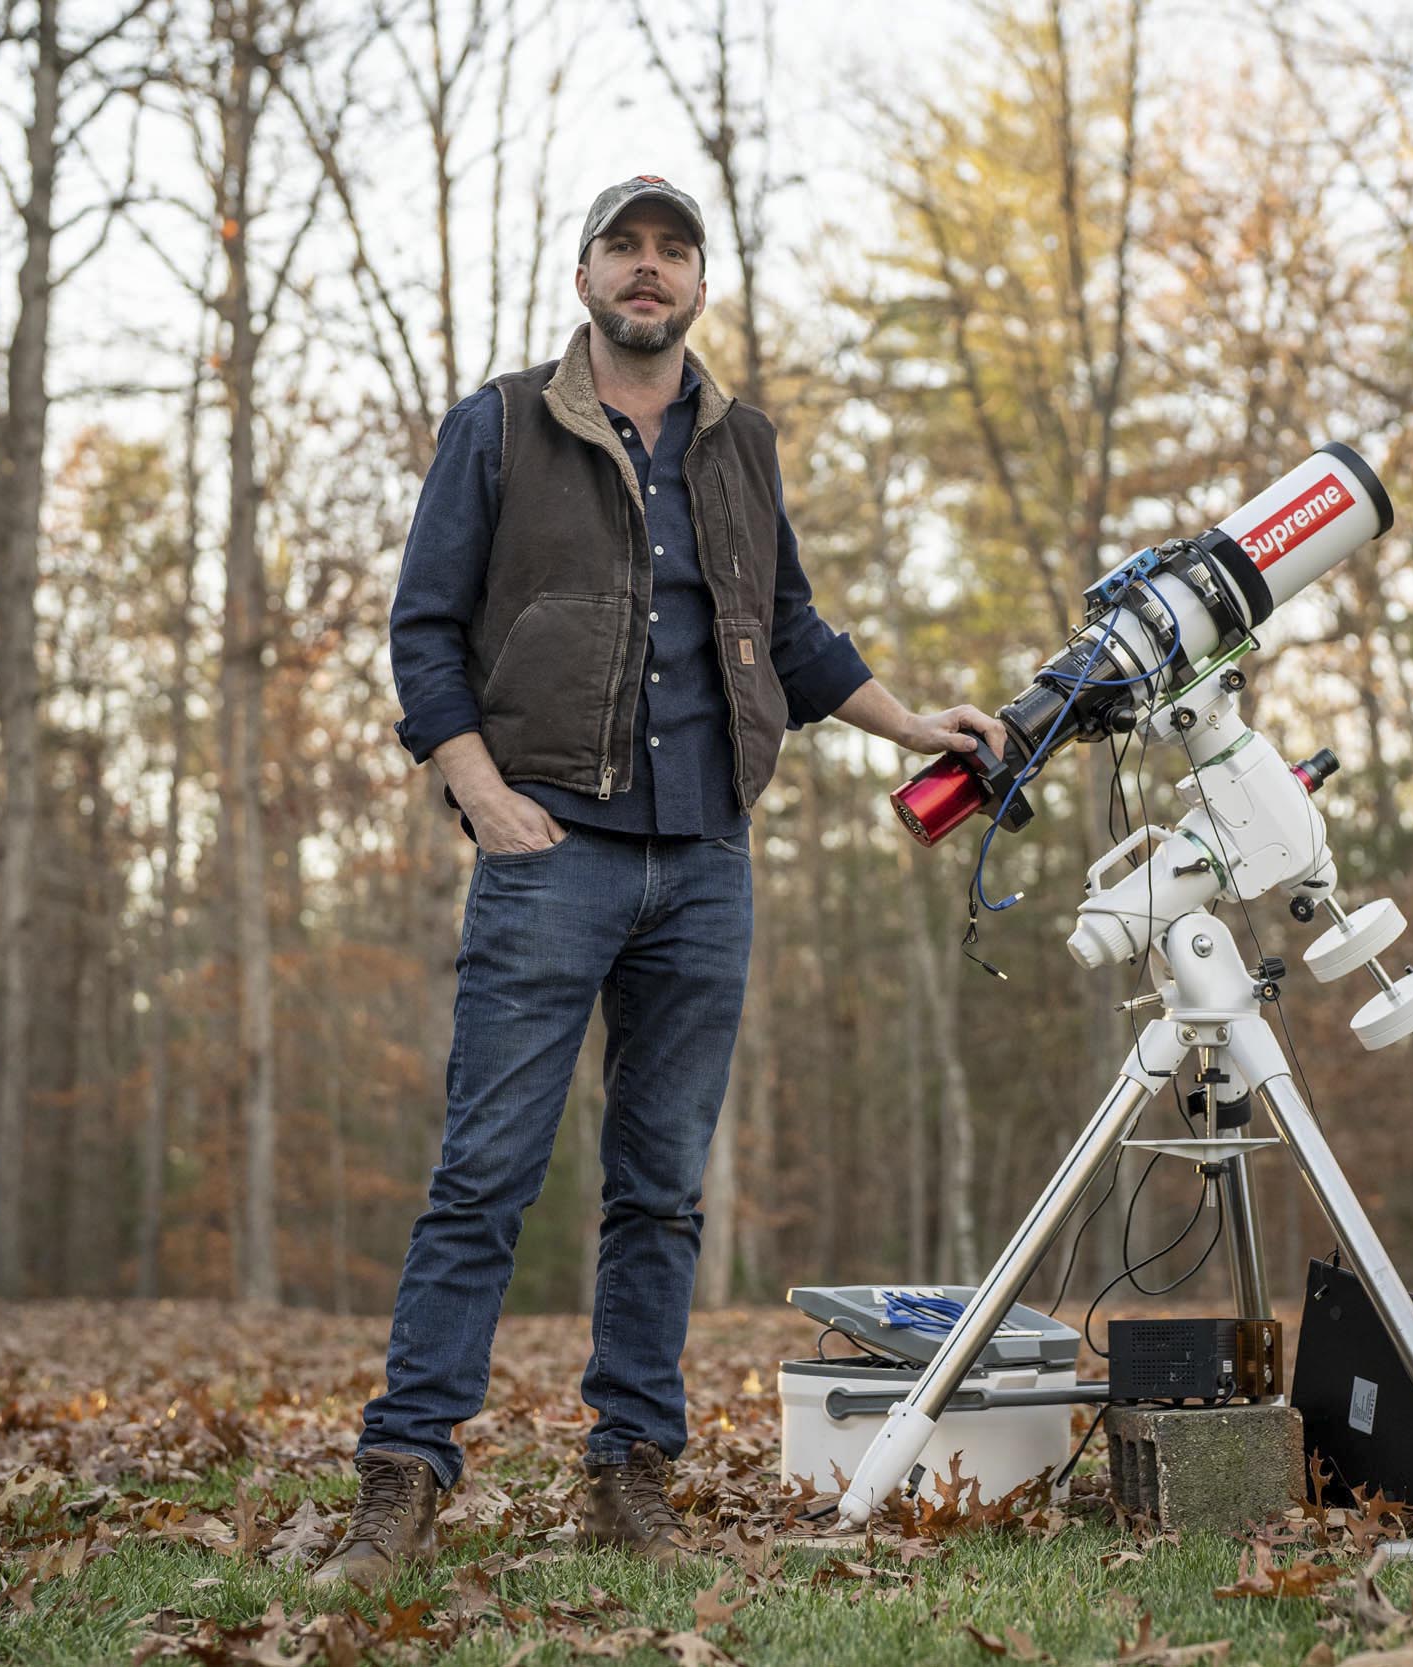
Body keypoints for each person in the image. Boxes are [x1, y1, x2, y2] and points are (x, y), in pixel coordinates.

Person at [313, 175, 1007, 1585]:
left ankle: (630, 1473)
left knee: (663, 1195)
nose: (648, 269)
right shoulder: (501, 425)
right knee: (483, 1178)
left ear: (698, 283)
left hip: (704, 861)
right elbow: (424, 629)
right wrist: (482, 792)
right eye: (623, 248)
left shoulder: (740, 441)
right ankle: (404, 1478)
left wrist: (911, 725)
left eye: (672, 250)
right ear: (584, 278)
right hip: (549, 853)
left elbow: (788, 629)